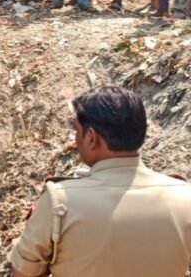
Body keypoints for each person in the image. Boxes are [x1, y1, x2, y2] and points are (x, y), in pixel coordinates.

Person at [10, 86, 191, 276]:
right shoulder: (184, 198)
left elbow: (24, 273)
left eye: (77, 131)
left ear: (91, 138)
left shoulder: (60, 201)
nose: (75, 139)